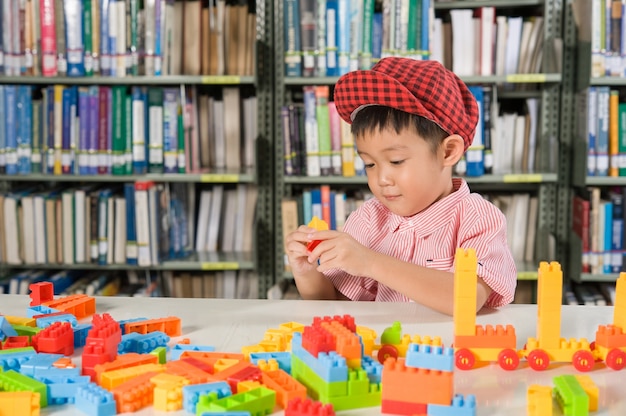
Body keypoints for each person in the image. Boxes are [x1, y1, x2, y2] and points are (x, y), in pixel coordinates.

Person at [284, 57, 517, 316]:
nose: (382, 178)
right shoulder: (368, 220)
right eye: (370, 165)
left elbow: (466, 299)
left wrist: (369, 262)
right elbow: (336, 304)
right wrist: (307, 274)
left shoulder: (477, 219)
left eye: (396, 161)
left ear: (448, 152)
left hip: (451, 351)